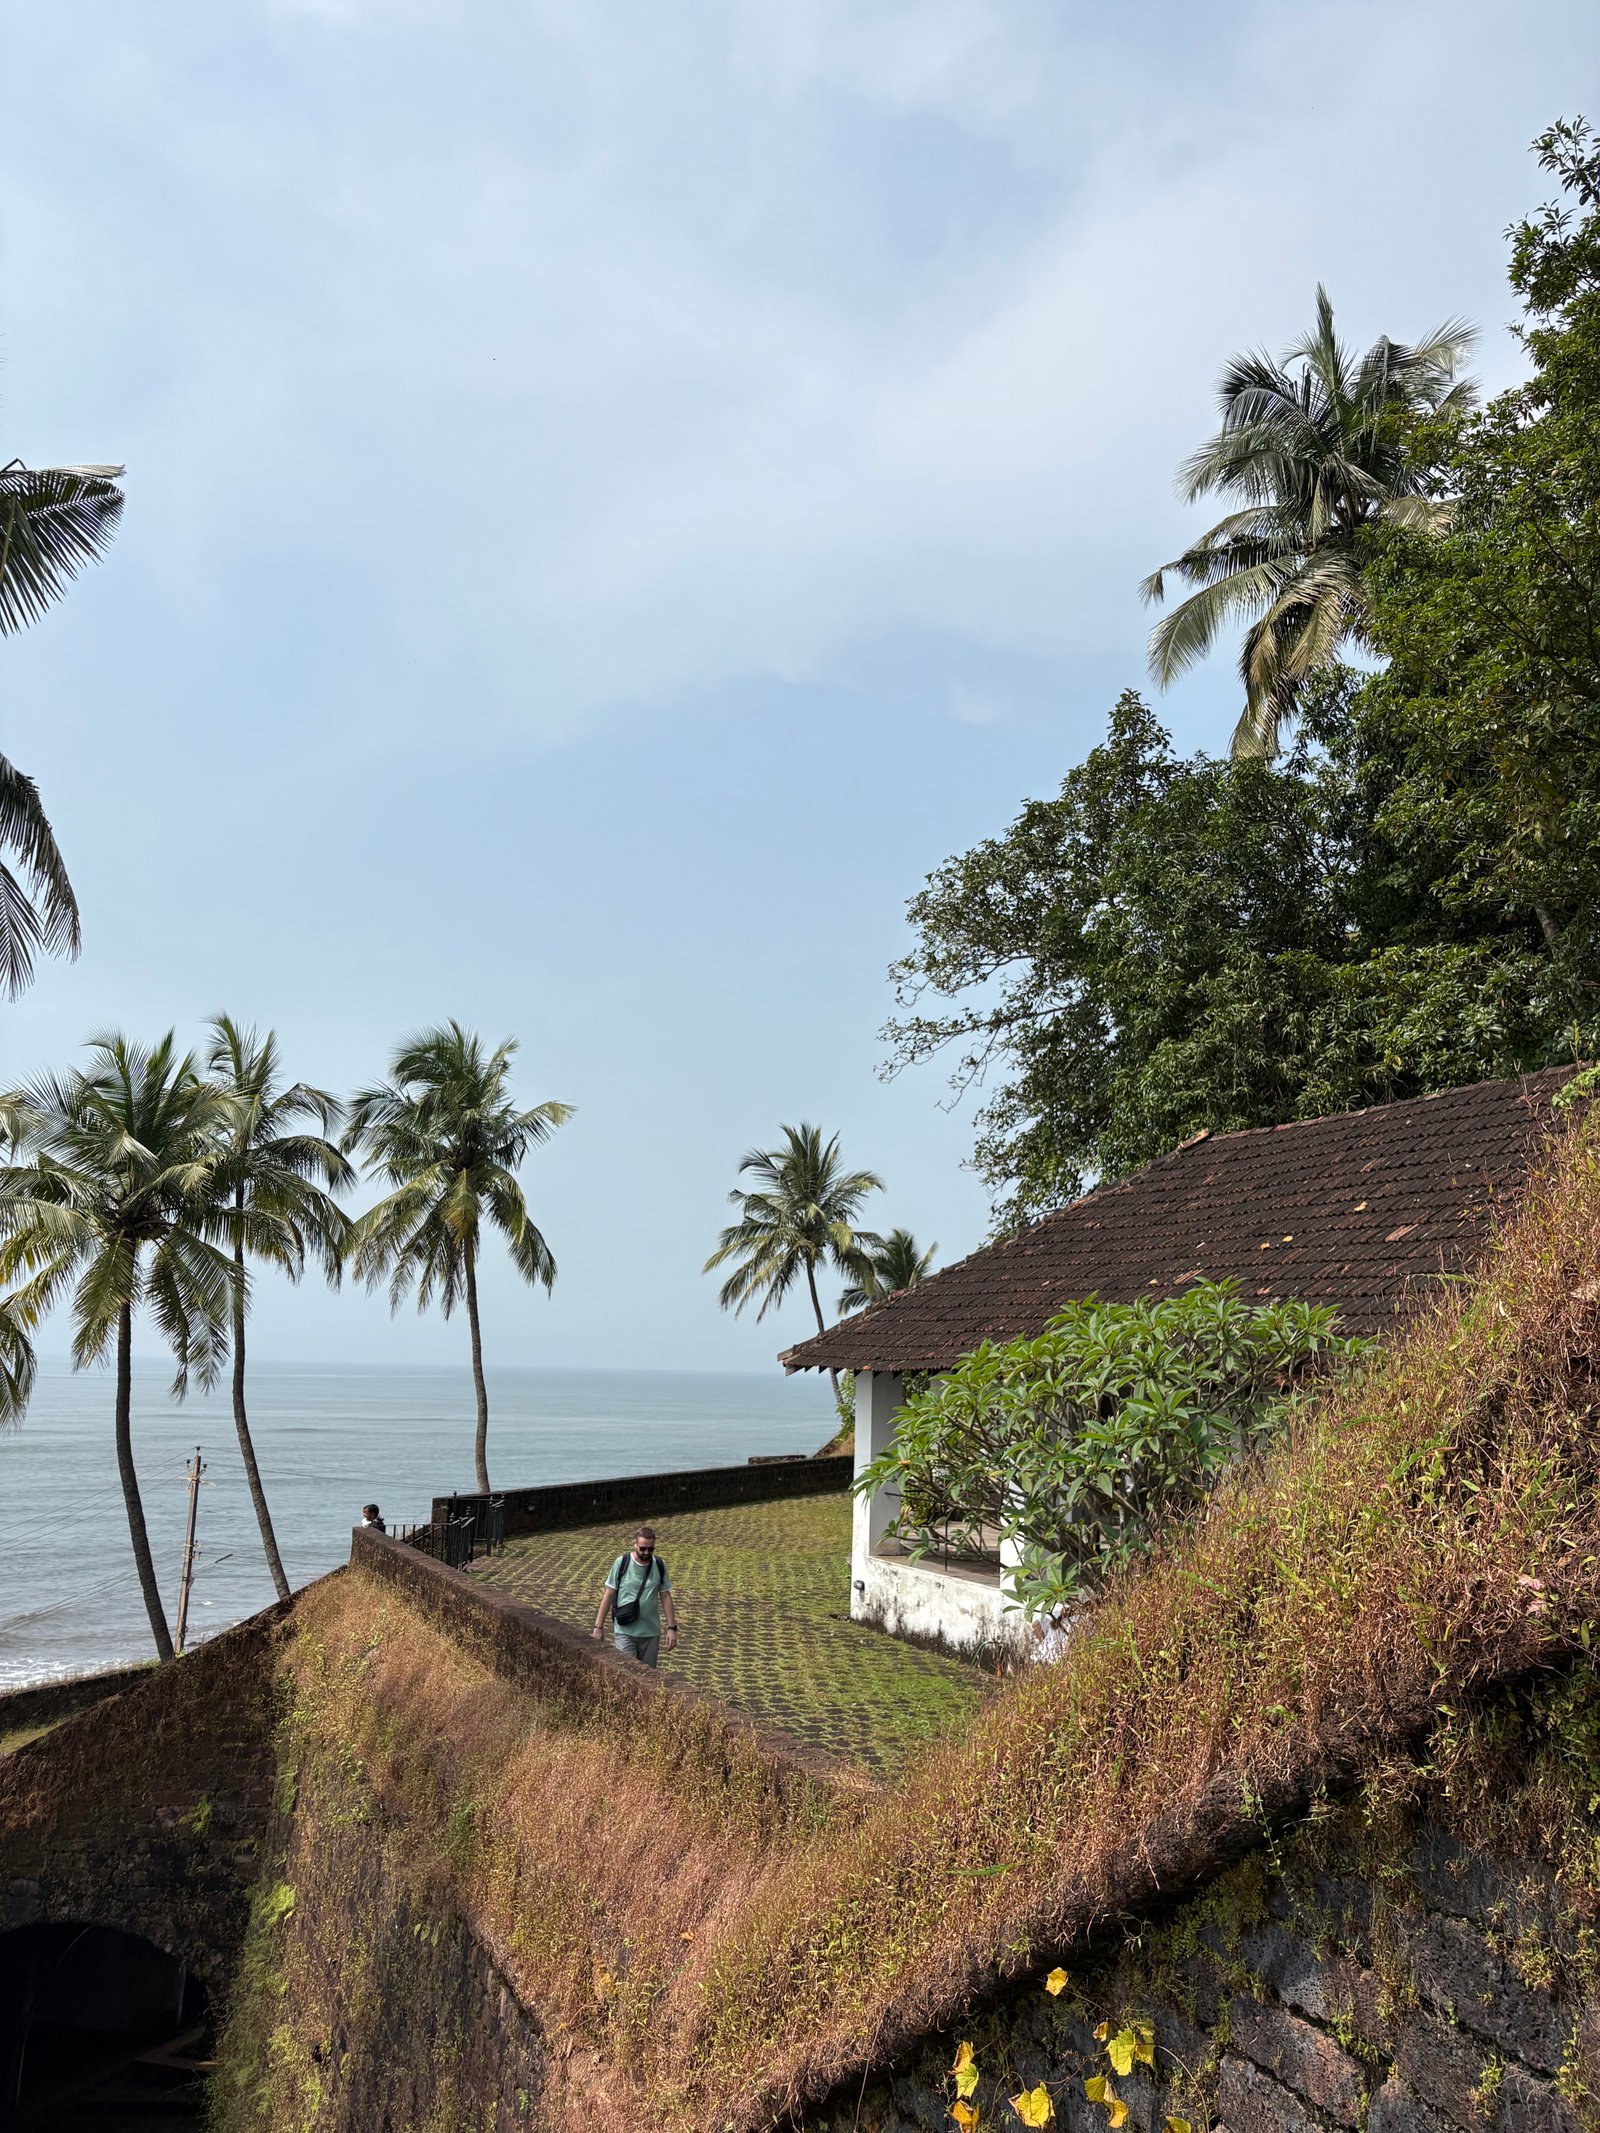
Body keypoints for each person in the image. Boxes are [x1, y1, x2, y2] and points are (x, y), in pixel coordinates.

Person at [592, 1525, 677, 1667]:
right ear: (635, 1544)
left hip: (651, 1633)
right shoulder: (622, 1562)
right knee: (626, 1673)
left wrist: (671, 1628)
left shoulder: (659, 1564)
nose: (646, 1552)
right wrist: (598, 1627)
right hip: (625, 1631)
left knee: (648, 1678)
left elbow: (665, 1596)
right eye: (642, 1548)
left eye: (650, 1549)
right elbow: (609, 1593)